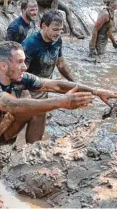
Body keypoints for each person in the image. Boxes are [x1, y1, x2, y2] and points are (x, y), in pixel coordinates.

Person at [0, 41, 117, 161]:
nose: (25, 67)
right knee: (27, 103)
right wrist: (61, 102)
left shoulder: (19, 78)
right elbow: (14, 105)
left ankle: (33, 153)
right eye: (20, 62)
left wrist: (96, 91)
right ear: (3, 66)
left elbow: (56, 85)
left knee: (37, 107)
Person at [21, 11, 76, 142]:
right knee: (16, 123)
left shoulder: (57, 40)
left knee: (38, 126)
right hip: (27, 89)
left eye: (61, 30)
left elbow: (61, 64)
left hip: (44, 88)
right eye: (55, 29)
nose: (58, 33)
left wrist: (74, 83)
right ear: (44, 26)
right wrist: (24, 94)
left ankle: (32, 150)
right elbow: (20, 73)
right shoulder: (30, 44)